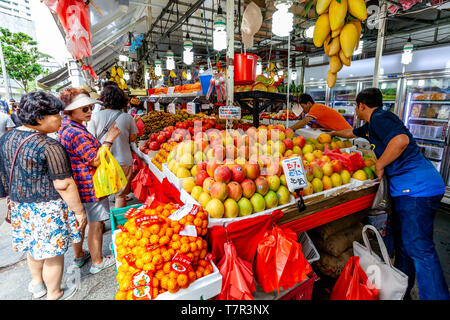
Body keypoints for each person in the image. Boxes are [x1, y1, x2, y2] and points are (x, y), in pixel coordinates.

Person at [330, 87, 450, 300]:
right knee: (404, 246)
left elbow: (400, 141)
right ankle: (402, 293)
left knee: (420, 249)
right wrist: (330, 134)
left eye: (356, 107)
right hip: (414, 189)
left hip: (416, 190)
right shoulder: (372, 125)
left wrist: (380, 165)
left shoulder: (380, 118)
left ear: (361, 106)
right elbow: (350, 133)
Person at [0, 91, 87, 300]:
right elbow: (64, 184)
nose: (61, 118)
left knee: (33, 247)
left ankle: (37, 285)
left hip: (21, 206)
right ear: (40, 118)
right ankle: (54, 292)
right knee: (53, 255)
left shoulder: (7, 138)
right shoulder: (49, 146)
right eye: (56, 114)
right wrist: (79, 211)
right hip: (47, 208)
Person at [58, 87, 121, 275]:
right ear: (70, 111)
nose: (90, 112)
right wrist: (109, 140)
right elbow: (95, 160)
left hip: (80, 182)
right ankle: (97, 261)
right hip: (89, 184)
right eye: (84, 109)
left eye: (90, 108)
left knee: (83, 221)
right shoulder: (75, 132)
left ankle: (79, 255)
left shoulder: (68, 127)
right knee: (97, 222)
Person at [87, 85, 139, 209]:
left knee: (102, 194)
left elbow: (90, 138)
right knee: (120, 196)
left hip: (103, 160)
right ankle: (118, 225)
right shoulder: (127, 117)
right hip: (123, 160)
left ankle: (101, 223)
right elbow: (132, 138)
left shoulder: (94, 117)